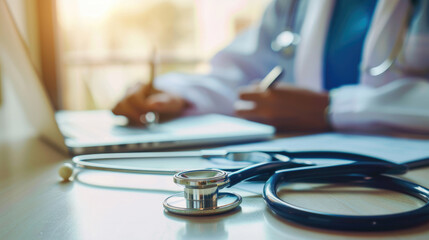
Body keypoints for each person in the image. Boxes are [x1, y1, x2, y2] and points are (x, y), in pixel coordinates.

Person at [112, 0, 429, 133]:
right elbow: (245, 74)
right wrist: (176, 93)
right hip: (313, 172)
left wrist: (332, 108)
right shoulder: (294, 4)